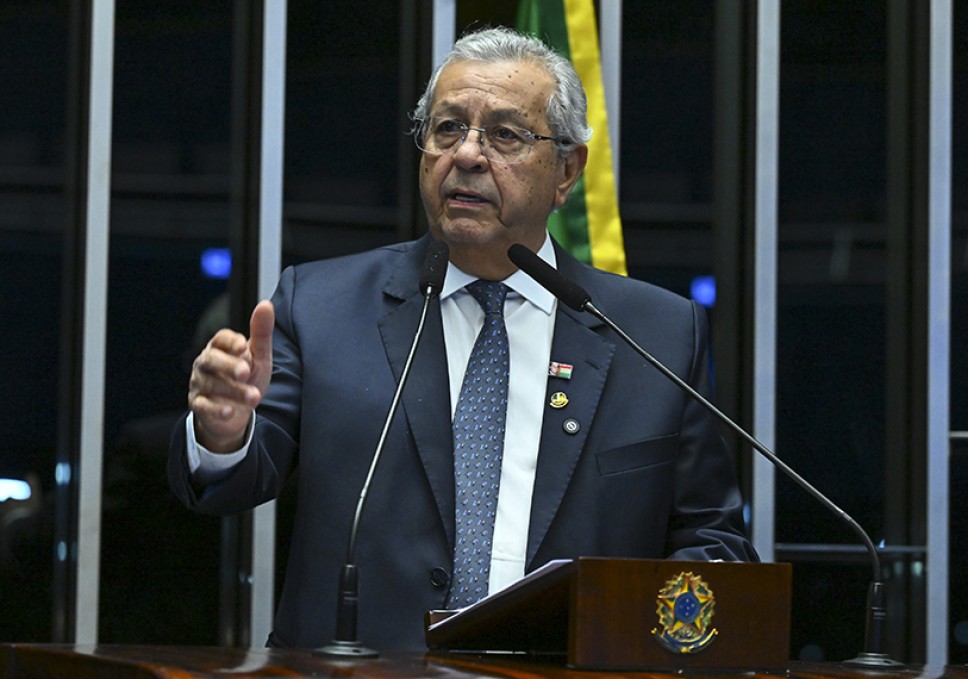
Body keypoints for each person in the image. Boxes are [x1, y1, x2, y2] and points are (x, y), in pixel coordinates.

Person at [169, 26, 757, 651]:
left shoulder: (656, 334)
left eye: (505, 135)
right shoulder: (321, 305)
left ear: (567, 170)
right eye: (448, 128)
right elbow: (233, 482)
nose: (468, 155)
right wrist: (222, 432)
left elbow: (711, 539)